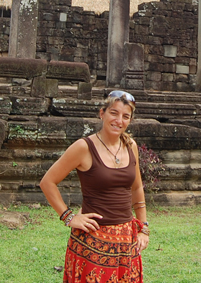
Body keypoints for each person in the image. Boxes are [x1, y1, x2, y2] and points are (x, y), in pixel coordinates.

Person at [40, 90, 149, 282]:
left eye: (125, 116)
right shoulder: (84, 147)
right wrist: (69, 217)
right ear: (102, 113)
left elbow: (136, 188)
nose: (119, 121)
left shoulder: (130, 145)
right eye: (113, 113)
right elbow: (47, 182)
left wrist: (143, 228)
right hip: (92, 242)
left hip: (126, 241)